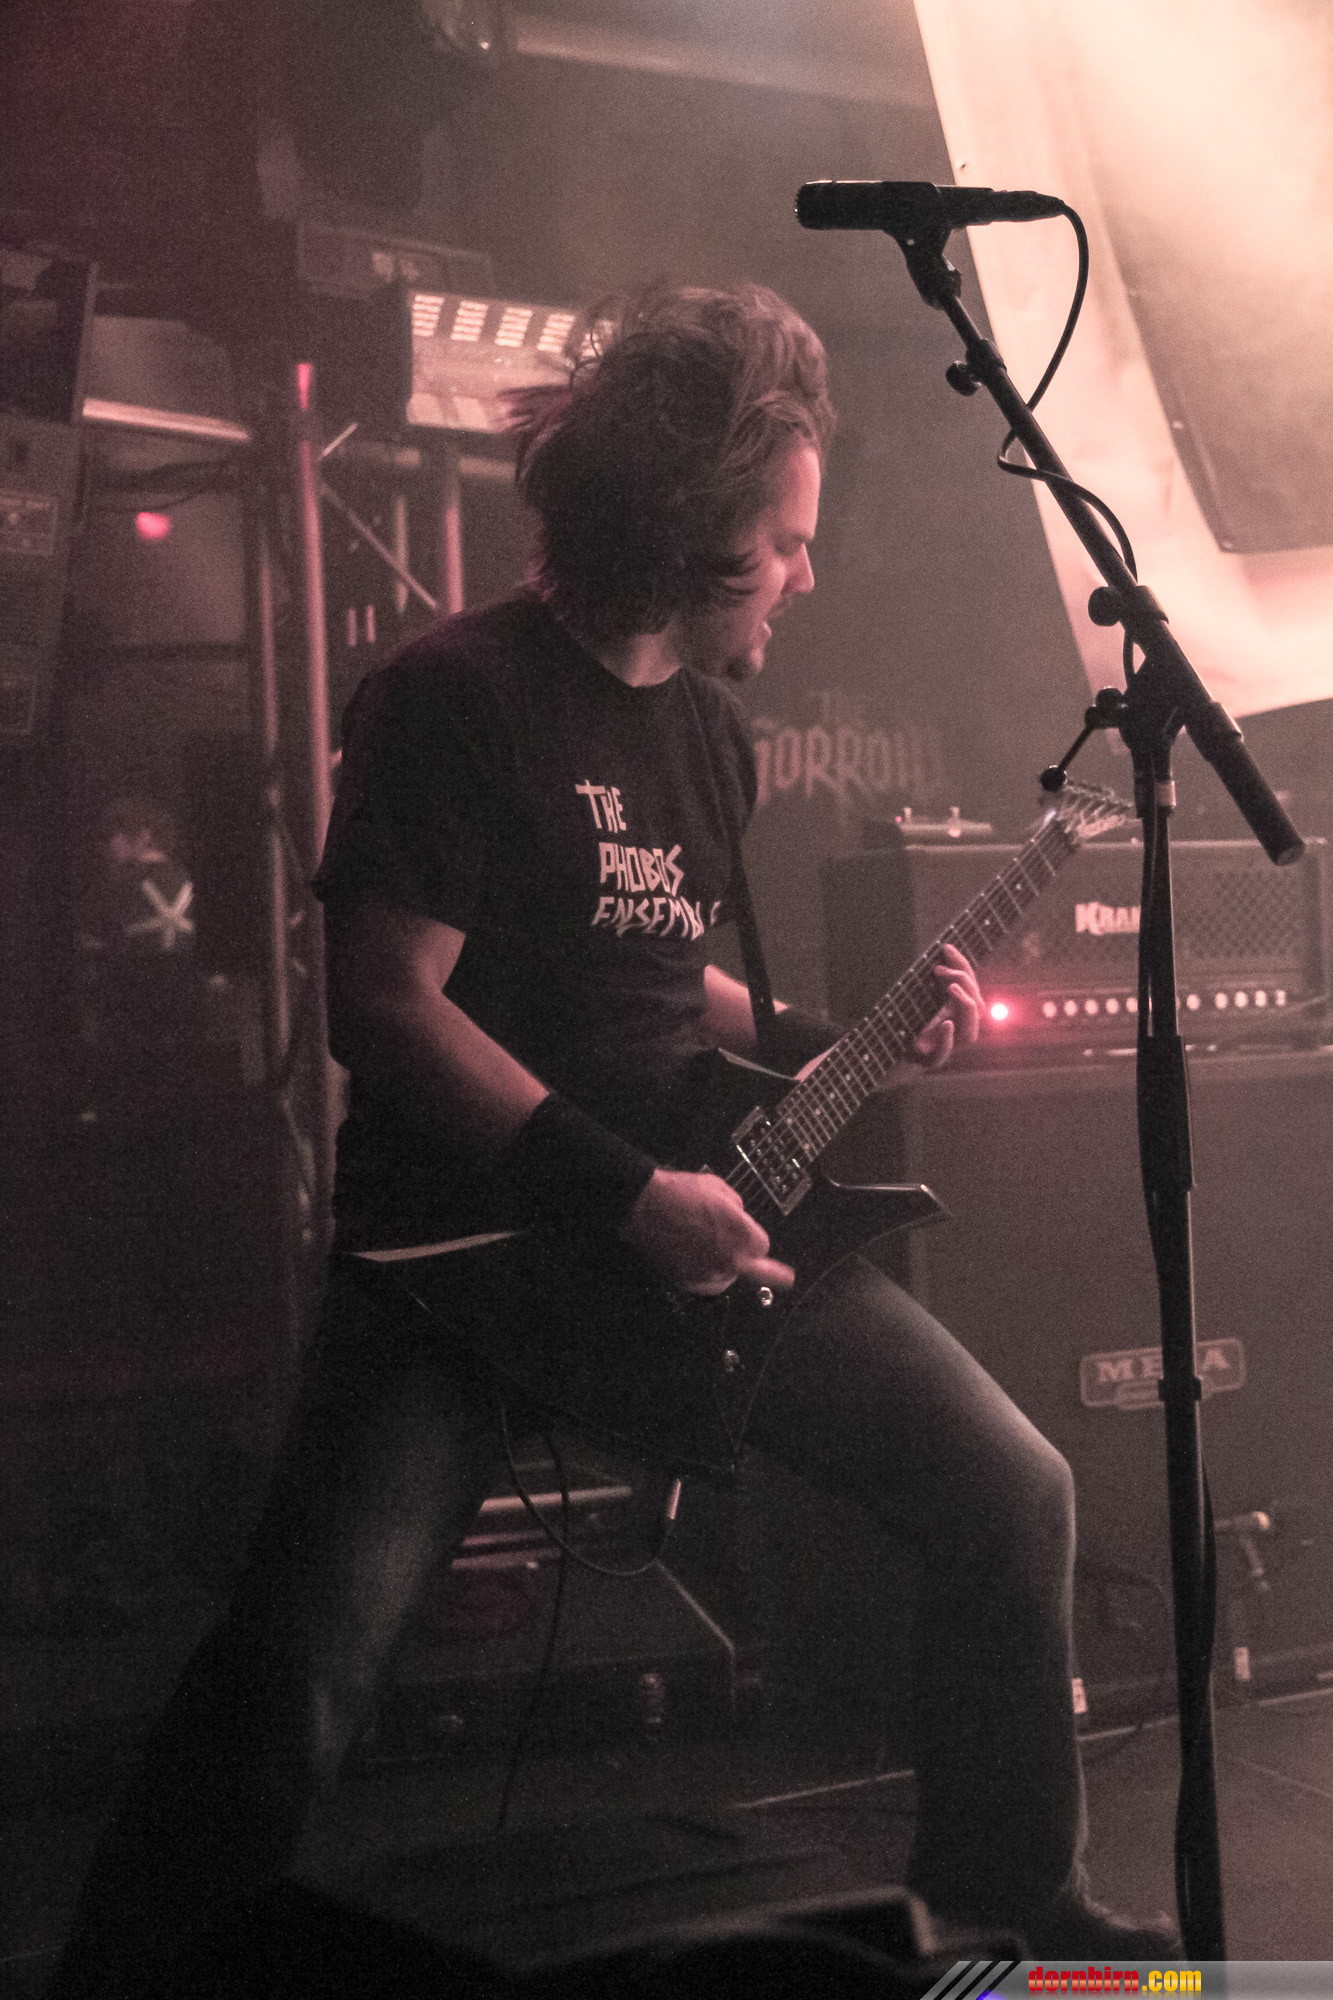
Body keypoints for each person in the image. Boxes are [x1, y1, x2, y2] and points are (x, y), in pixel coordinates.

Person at [51, 281, 1176, 1997]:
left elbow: (652, 973)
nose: (805, 576)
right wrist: (623, 1192)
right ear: (685, 545)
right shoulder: (453, 695)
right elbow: (386, 1003)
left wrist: (820, 1038)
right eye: (782, 544)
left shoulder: (709, 732)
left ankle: (1015, 1906)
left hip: (683, 1230)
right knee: (303, 1662)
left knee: (1012, 1493)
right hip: (466, 1263)